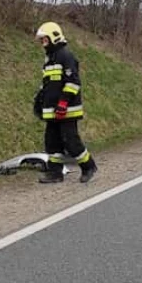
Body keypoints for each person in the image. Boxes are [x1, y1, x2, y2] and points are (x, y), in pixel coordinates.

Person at [33, 21, 97, 184]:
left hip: (67, 110)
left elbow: (73, 82)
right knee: (52, 142)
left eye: (44, 39)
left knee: (70, 141)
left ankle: (88, 166)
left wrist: (63, 103)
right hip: (53, 111)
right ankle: (55, 173)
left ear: (54, 37)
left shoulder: (65, 56)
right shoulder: (49, 59)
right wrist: (40, 101)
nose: (42, 43)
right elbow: (48, 85)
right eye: (41, 40)